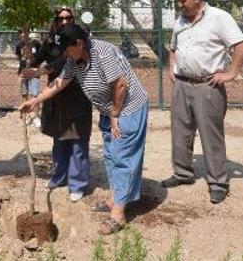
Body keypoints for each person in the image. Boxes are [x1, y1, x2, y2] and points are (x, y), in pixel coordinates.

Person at [20, 24, 148, 235]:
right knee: (110, 156)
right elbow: (60, 81)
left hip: (127, 108)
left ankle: (118, 214)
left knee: (122, 156)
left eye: (66, 49)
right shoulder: (74, 59)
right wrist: (36, 101)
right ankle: (116, 199)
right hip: (110, 110)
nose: (64, 54)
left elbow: (121, 85)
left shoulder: (102, 52)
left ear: (79, 43)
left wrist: (115, 115)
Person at [162, 0, 243, 204]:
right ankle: (182, 174)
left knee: (211, 136)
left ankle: (218, 182)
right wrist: (171, 69)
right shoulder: (180, 20)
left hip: (207, 86)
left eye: (183, 1)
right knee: (180, 133)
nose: (179, 6)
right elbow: (173, 47)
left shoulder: (220, 18)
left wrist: (230, 73)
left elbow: (241, 45)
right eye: (177, 1)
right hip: (181, 84)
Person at [22, 8, 93, 203]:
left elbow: (63, 62)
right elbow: (38, 58)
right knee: (59, 137)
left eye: (68, 18)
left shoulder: (80, 37)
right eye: (61, 18)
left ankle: (77, 183)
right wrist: (29, 62)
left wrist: (41, 71)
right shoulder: (51, 39)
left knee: (77, 139)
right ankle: (59, 176)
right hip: (55, 93)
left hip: (77, 92)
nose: (64, 21)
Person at [16, 30, 42, 126]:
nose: (23, 34)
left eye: (25, 32)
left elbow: (40, 57)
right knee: (24, 94)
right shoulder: (19, 45)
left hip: (34, 72)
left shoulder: (36, 44)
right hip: (23, 73)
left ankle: (35, 116)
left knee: (34, 94)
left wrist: (31, 59)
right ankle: (26, 116)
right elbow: (20, 59)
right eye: (21, 33)